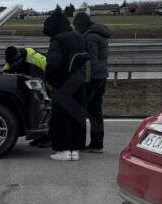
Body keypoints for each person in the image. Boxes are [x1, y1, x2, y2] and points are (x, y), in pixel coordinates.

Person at [43, 10, 90, 161]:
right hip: (80, 82)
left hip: (63, 83)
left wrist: (50, 79)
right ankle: (75, 150)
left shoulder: (58, 40)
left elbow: (53, 63)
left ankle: (63, 150)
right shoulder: (80, 38)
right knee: (77, 115)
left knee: (61, 116)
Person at [73, 12, 112, 153]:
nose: (75, 30)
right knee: (95, 110)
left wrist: (84, 79)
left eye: (76, 27)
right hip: (101, 77)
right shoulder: (99, 33)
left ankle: (94, 143)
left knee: (88, 110)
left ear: (81, 25)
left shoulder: (90, 37)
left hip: (93, 79)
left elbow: (90, 61)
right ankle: (97, 142)